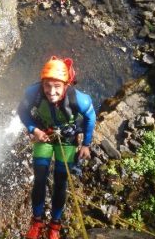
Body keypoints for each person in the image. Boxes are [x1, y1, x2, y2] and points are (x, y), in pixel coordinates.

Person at [18, 56, 96, 239]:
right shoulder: (33, 93)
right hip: (44, 135)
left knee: (61, 182)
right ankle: (37, 220)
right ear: (42, 83)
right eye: (47, 86)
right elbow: (22, 111)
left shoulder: (80, 99)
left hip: (67, 140)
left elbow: (90, 118)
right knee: (39, 178)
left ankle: (55, 224)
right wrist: (34, 130)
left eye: (57, 87)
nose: (51, 92)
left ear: (66, 85)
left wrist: (86, 144)